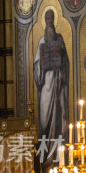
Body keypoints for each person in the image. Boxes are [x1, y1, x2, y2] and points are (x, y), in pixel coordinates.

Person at [33, 9, 70, 142]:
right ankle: (46, 157)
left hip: (58, 85)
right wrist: (42, 64)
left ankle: (58, 155)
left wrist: (60, 61)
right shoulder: (41, 42)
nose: (49, 22)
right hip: (45, 87)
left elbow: (66, 63)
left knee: (58, 119)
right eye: (47, 19)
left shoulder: (60, 39)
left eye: (51, 19)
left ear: (54, 21)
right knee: (44, 121)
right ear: (44, 21)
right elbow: (36, 66)